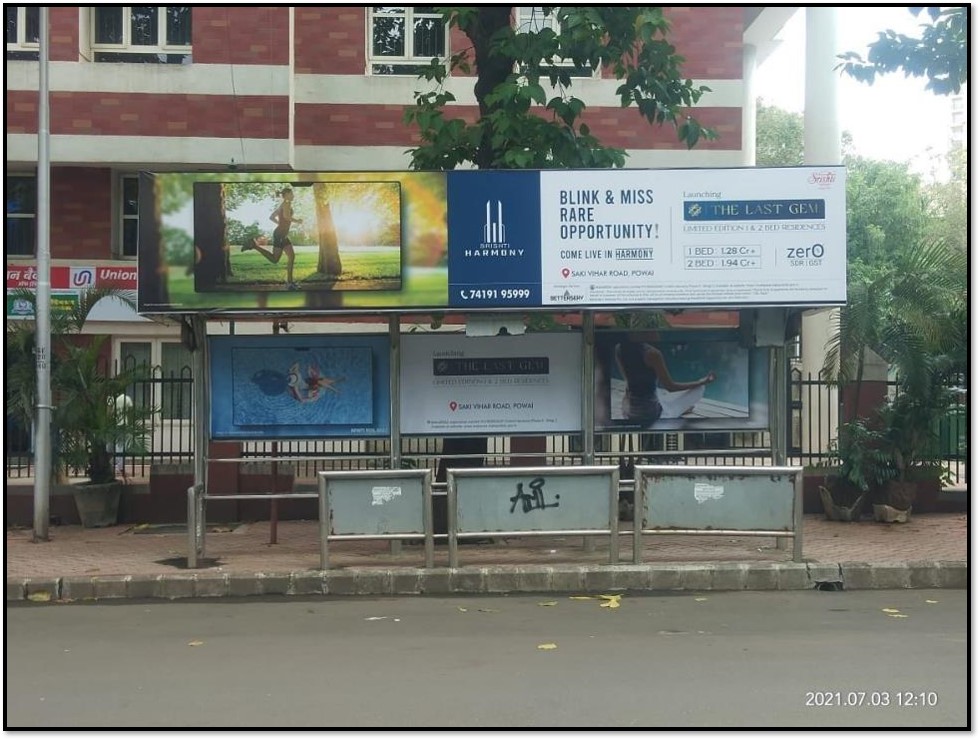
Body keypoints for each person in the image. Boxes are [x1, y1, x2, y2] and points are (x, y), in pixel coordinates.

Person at [614, 337, 716, 424]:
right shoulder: (652, 353)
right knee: (699, 389)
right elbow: (670, 387)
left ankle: (677, 409)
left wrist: (629, 408)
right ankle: (675, 411)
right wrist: (703, 381)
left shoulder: (619, 348)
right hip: (651, 416)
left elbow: (628, 383)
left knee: (657, 392)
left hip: (629, 413)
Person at [242, 187, 303, 290]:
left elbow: (271, 217)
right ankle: (254, 245)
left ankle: (290, 283)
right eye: (292, 193)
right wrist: (298, 221)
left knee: (291, 256)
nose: (293, 195)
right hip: (280, 235)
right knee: (275, 259)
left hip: (282, 234)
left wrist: (280, 224)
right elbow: (287, 217)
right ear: (287, 194)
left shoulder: (282, 205)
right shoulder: (287, 203)